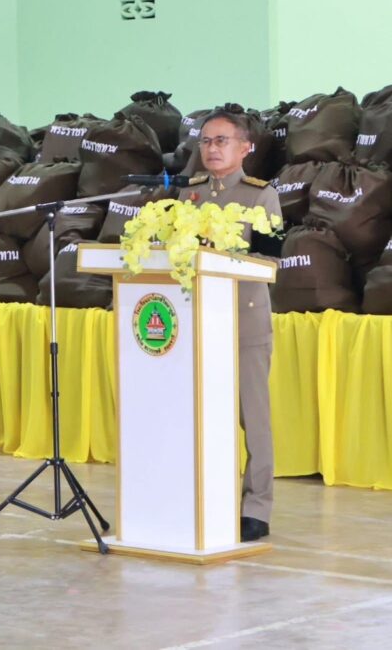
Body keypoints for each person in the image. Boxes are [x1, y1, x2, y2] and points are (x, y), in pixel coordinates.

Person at [178, 110, 282, 542]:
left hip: (243, 320)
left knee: (252, 419)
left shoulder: (261, 196)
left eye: (222, 141)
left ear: (245, 148)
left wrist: (223, 258)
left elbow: (270, 260)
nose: (212, 149)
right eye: (206, 141)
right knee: (199, 415)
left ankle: (256, 507)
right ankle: (204, 496)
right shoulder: (190, 194)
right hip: (197, 322)